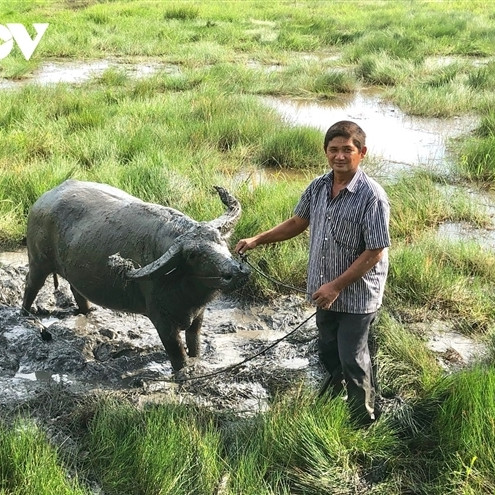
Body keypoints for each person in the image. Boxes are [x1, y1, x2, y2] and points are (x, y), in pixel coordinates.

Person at [235, 120, 390, 426]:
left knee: (353, 357)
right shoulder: (319, 186)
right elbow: (298, 222)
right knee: (328, 349)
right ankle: (335, 395)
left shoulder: (372, 196)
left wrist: (336, 286)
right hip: (323, 290)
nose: (340, 156)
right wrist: (257, 239)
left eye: (348, 150)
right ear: (325, 152)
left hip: (357, 295)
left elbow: (375, 252)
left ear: (362, 153)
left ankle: (363, 420)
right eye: (334, 150)